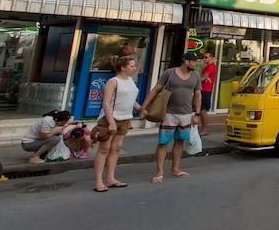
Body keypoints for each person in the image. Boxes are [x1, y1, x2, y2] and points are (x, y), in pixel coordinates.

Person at [141, 52, 201, 183]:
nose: (196, 64)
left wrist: (197, 114)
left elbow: (197, 95)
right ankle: (159, 172)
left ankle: (176, 169)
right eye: (194, 61)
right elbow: (156, 89)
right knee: (163, 142)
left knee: (179, 142)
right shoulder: (170, 73)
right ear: (186, 61)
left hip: (186, 114)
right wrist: (144, 106)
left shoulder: (196, 76)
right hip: (169, 113)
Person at [92, 56, 141, 192]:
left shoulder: (131, 81)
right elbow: (106, 103)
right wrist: (111, 122)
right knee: (104, 149)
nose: (134, 68)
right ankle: (98, 181)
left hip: (125, 118)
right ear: (122, 67)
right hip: (110, 118)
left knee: (116, 148)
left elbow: (131, 100)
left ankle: (110, 178)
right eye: (131, 66)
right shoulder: (113, 82)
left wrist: (140, 108)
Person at [198, 52, 217, 136]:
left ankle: (205, 129)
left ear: (211, 58)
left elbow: (204, 77)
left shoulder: (211, 67)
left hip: (206, 90)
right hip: (203, 89)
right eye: (203, 57)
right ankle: (203, 128)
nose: (204, 59)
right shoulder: (206, 67)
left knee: (203, 110)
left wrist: (195, 81)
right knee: (201, 109)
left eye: (206, 57)